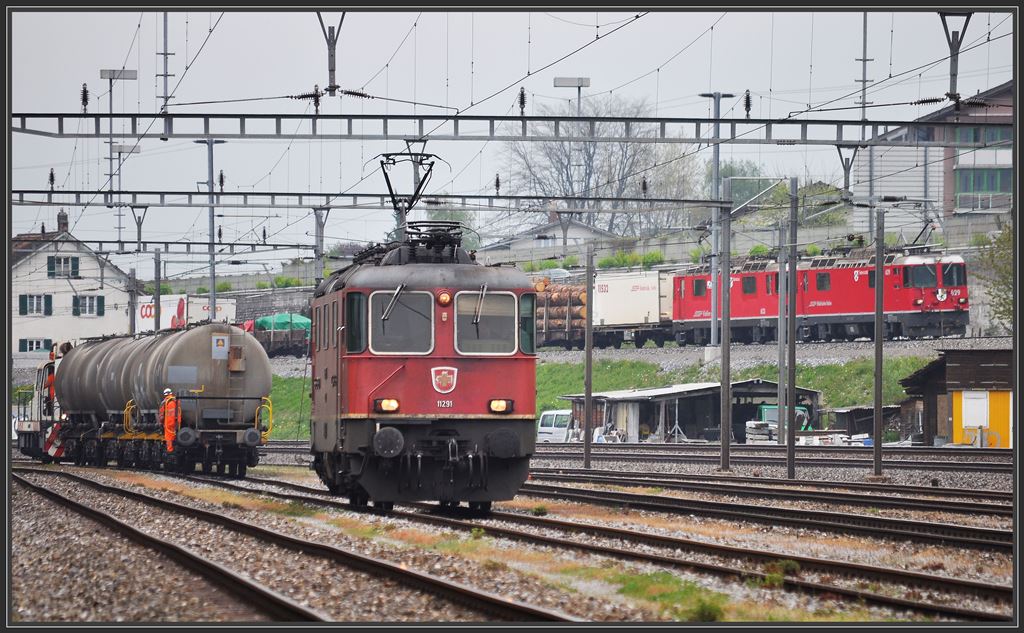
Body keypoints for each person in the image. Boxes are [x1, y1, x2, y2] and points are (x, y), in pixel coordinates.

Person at [158, 388, 180, 453]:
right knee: (175, 435)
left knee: (169, 437)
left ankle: (170, 450)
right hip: (177, 422)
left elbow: (161, 415)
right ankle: (176, 447)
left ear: (165, 394)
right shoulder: (176, 401)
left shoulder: (165, 402)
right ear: (171, 393)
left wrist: (161, 422)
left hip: (168, 423)